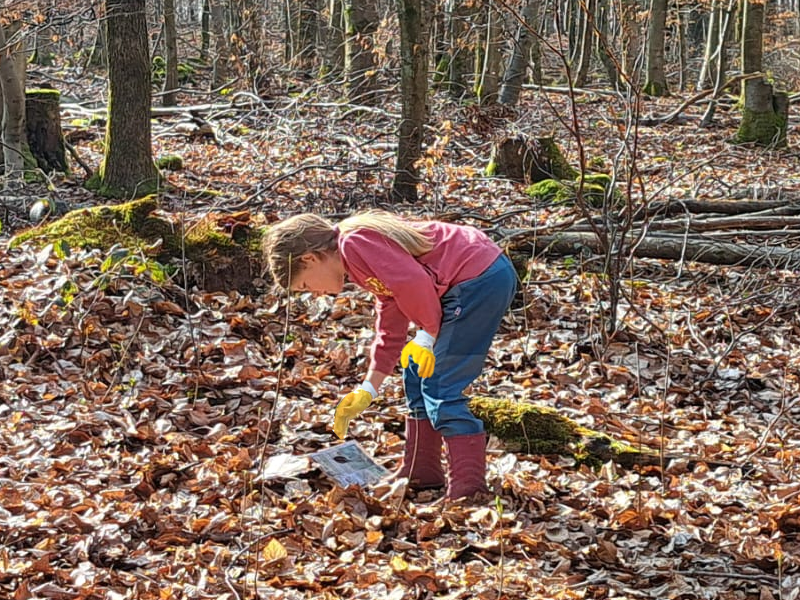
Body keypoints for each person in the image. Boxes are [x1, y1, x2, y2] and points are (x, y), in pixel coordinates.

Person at [262, 211, 517, 501]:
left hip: (479, 279)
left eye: (305, 285)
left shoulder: (354, 244)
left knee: (440, 384)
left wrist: (427, 336)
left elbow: (414, 284)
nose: (316, 293)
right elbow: (392, 316)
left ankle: (467, 491)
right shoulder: (356, 258)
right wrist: (368, 389)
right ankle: (421, 470)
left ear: (309, 259)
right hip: (473, 278)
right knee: (416, 370)